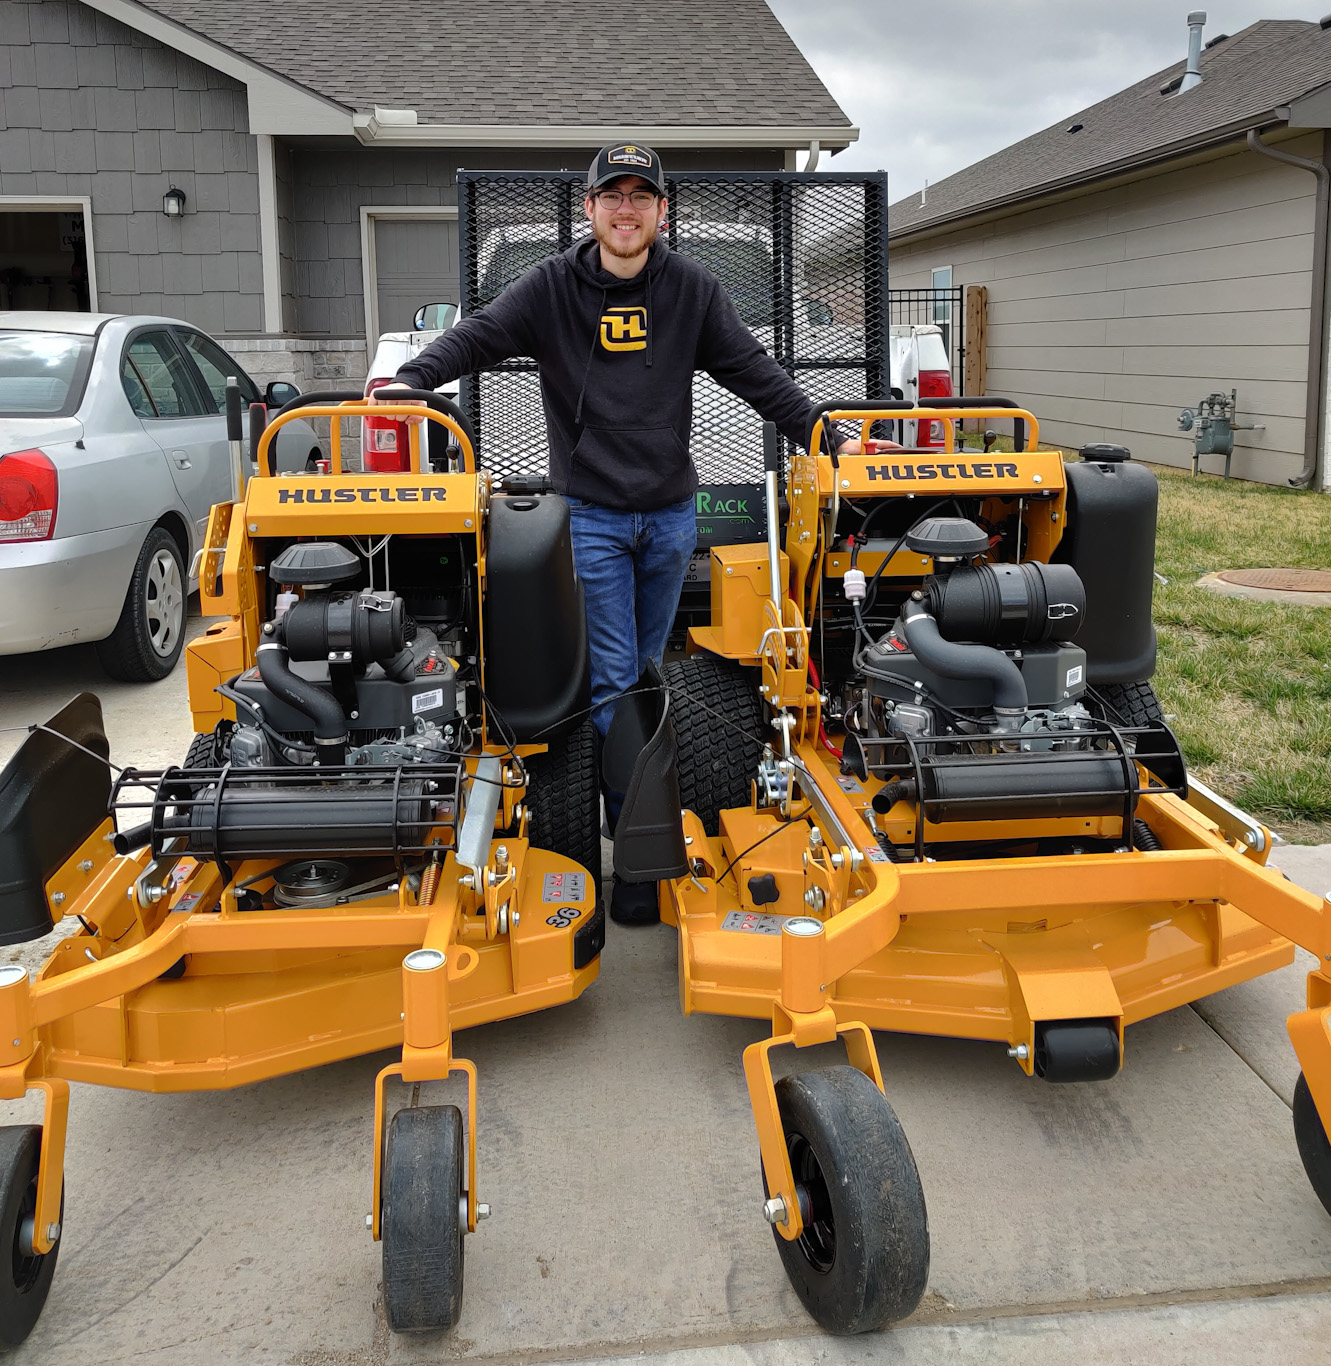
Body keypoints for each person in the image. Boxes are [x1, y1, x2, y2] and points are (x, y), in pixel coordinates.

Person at [374, 142, 855, 925]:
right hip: (590, 515)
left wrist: (822, 430)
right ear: (590, 209)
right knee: (614, 681)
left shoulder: (693, 289)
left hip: (669, 514)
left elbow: (752, 371)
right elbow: (479, 336)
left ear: (662, 212)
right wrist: (412, 382)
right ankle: (630, 864)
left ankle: (628, 819)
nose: (625, 210)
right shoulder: (549, 287)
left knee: (640, 664)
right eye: (611, 196)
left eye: (641, 197)